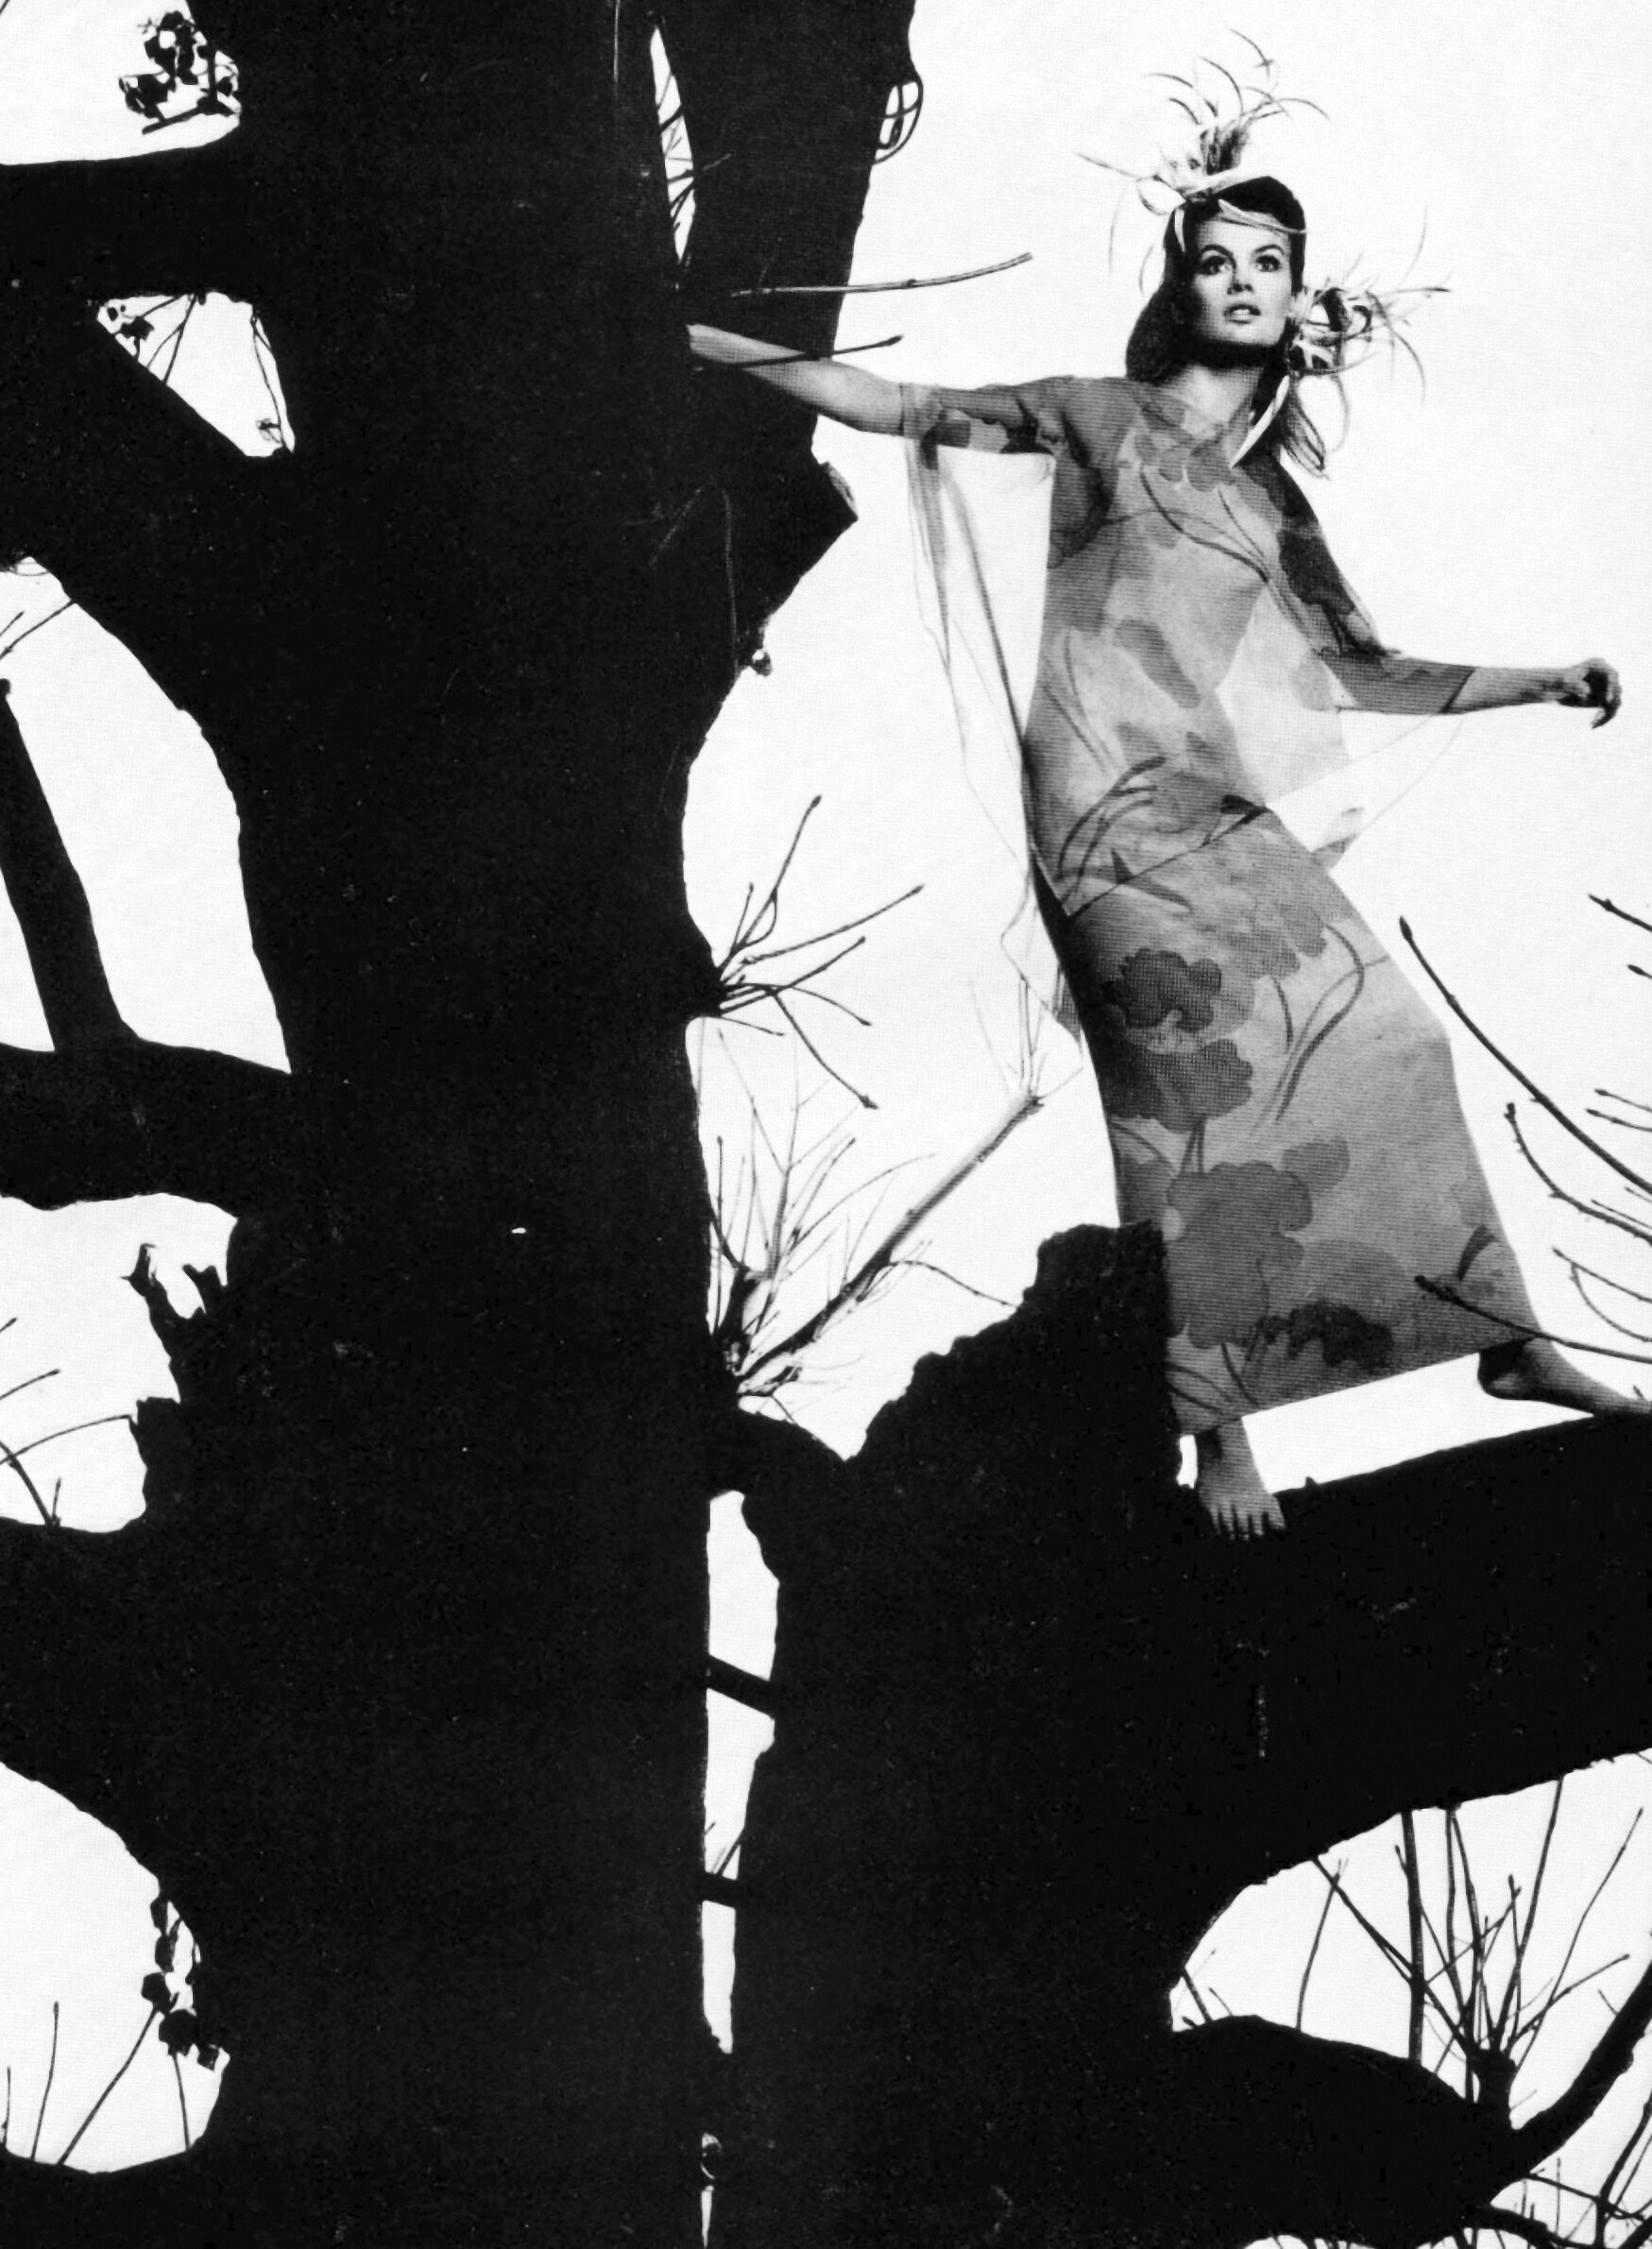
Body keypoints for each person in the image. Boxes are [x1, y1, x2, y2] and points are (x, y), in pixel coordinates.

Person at [690, 167, 1643, 1539]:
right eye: (1216, 259)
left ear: (1298, 301)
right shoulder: (1095, 415)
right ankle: (1217, 1436)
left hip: (1216, 808)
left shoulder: (1269, 504)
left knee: (1394, 1039)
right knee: (1177, 1102)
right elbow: (891, 404)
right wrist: (684, 336)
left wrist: (1538, 679)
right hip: (1098, 816)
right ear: (1178, 284)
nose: (1242, 281)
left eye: (1268, 263)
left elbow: (1359, 669)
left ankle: (1505, 1341)